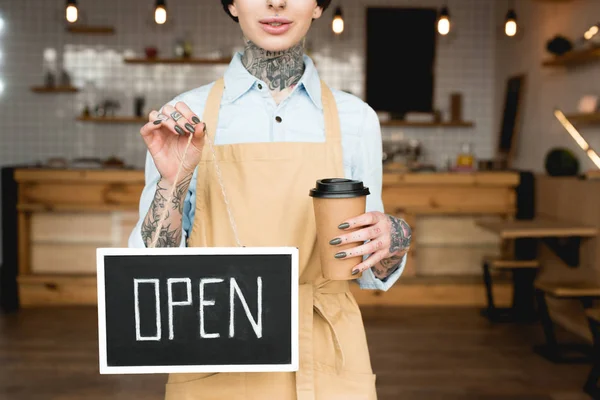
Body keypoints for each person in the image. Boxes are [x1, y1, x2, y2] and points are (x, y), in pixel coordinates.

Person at [129, 0, 412, 398]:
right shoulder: (185, 117)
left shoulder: (357, 120)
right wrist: (173, 181)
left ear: (317, 6)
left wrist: (394, 240)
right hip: (217, 346)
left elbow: (368, 267)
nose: (276, 2)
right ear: (231, 3)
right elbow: (154, 270)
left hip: (326, 349)